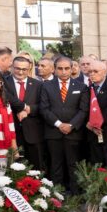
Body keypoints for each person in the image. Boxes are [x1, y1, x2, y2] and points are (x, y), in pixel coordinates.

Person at [39, 56, 86, 192]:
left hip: (74, 133)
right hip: (53, 133)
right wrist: (59, 124)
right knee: (56, 166)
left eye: (66, 68)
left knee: (74, 166)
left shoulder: (81, 86)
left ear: (72, 69)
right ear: (54, 69)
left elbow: (84, 110)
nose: (64, 72)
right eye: (60, 68)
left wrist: (71, 125)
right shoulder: (46, 86)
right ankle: (57, 196)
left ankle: (76, 196)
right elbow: (44, 109)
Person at [3, 56, 45, 173]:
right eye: (17, 68)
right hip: (11, 133)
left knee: (35, 169)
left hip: (33, 133)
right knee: (13, 170)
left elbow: (43, 105)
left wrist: (29, 110)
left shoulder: (38, 84)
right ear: (12, 67)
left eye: (24, 69)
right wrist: (19, 109)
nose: (20, 72)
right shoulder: (4, 83)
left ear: (29, 69)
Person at [85, 60, 107, 170]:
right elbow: (84, 109)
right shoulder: (87, 88)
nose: (92, 74)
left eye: (95, 71)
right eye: (90, 71)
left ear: (104, 72)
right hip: (92, 134)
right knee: (96, 166)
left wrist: (96, 124)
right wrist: (90, 125)